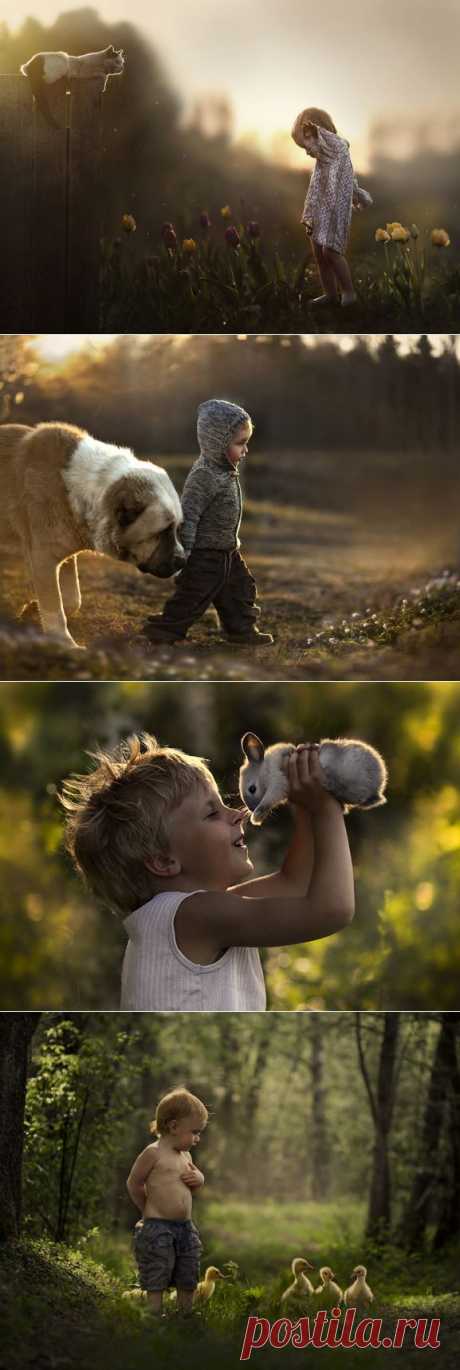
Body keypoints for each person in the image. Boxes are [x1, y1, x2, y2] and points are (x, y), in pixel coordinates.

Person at [61, 731, 355, 1011]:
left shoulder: (195, 913)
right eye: (212, 813)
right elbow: (332, 910)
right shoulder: (194, 916)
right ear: (164, 862)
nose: (238, 813)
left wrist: (303, 802)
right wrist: (326, 809)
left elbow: (296, 884)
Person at [144, 397, 273, 645]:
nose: (245, 450)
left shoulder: (226, 470)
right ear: (218, 442)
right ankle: (166, 629)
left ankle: (241, 631)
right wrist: (185, 553)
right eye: (240, 444)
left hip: (228, 551)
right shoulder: (204, 475)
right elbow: (188, 516)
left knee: (241, 590)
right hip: (204, 555)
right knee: (193, 595)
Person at [126, 1087, 207, 1315]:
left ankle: (185, 1311)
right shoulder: (153, 1153)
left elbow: (193, 1181)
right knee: (157, 1267)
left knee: (188, 1267)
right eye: (195, 1132)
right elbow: (133, 1183)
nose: (197, 1138)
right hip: (157, 1227)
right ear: (173, 1126)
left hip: (185, 1227)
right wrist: (146, 1209)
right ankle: (154, 1311)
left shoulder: (186, 1156)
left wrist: (199, 1178)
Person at [291, 105, 373, 307]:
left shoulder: (337, 148)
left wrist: (358, 195)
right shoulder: (323, 159)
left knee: (331, 252)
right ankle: (330, 294)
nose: (307, 152)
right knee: (319, 253)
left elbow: (347, 177)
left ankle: (348, 292)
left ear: (317, 133)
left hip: (336, 211)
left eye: (306, 144)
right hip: (320, 210)